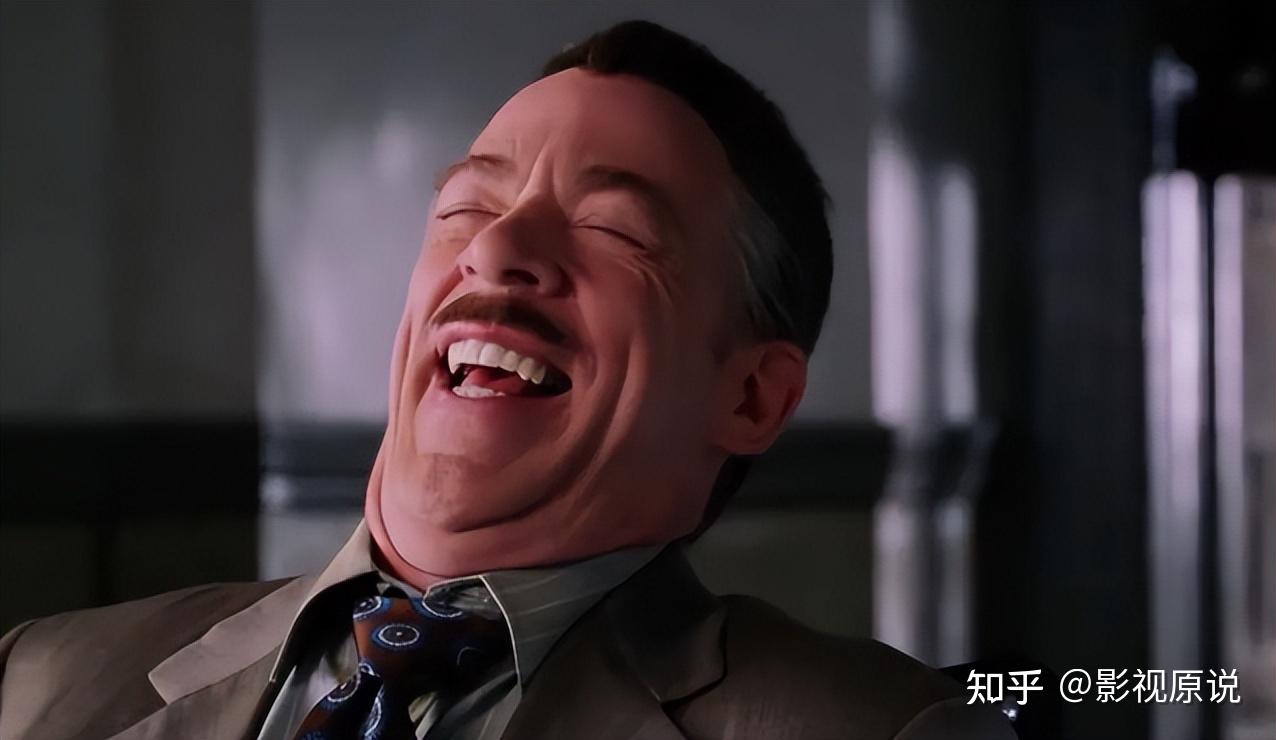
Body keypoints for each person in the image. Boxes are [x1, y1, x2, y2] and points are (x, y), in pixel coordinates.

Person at [0, 21, 1014, 740]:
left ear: (749, 397)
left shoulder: (879, 727)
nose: (495, 251)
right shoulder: (34, 678)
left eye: (615, 229)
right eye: (465, 209)